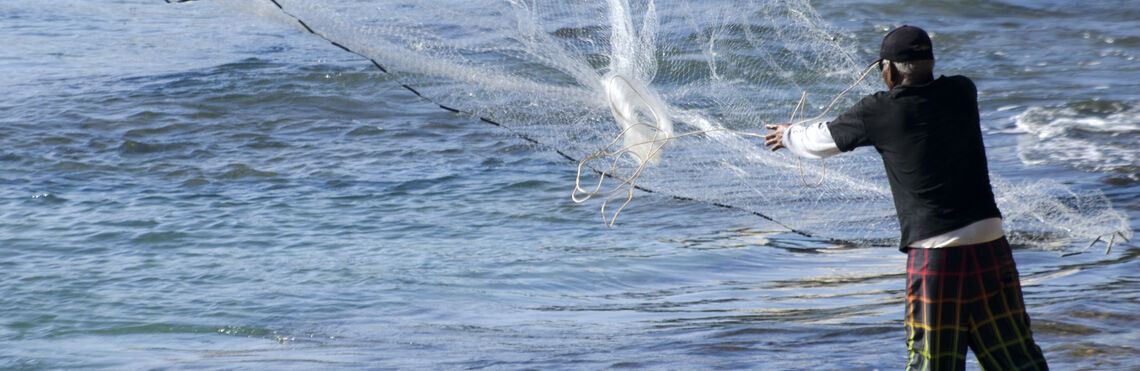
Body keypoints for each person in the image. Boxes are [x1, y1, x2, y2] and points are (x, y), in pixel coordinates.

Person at [763, 25, 1048, 370]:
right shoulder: (963, 91)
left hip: (935, 256)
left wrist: (788, 134)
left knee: (932, 362)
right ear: (930, 62)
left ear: (891, 71)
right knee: (1018, 359)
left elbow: (818, 141)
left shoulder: (879, 111)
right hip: (992, 245)